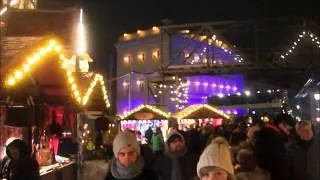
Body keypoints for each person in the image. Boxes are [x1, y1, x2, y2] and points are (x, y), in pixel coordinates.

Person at [253, 113, 295, 180]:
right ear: (282, 124)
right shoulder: (272, 136)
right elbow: (277, 163)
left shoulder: (267, 133)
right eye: (288, 130)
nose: (289, 133)